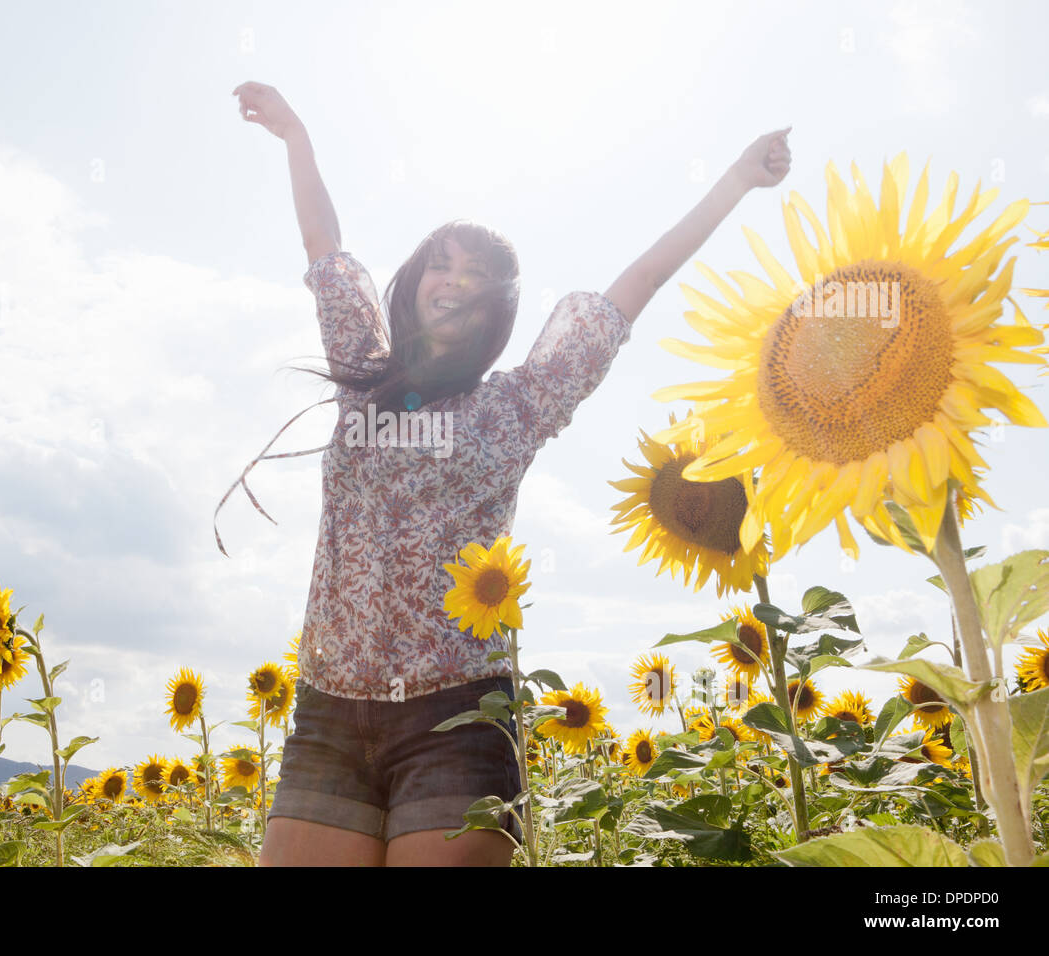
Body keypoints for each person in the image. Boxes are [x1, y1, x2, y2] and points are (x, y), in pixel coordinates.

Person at [228, 80, 791, 866]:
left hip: (458, 719)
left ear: (498, 308)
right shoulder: (362, 371)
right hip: (328, 714)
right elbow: (324, 250)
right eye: (441, 264)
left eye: (475, 274)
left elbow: (632, 290)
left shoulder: (519, 406)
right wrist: (296, 136)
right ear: (416, 283)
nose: (453, 280)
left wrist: (737, 179)